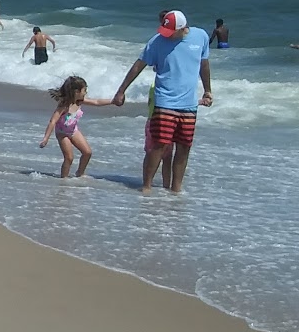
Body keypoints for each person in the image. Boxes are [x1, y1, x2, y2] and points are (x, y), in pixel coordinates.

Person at [112, 10, 212, 194]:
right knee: (159, 146)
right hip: (165, 102)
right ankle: (147, 187)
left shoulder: (201, 37)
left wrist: (207, 90)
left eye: (170, 31)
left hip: (189, 105)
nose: (165, 34)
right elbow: (139, 64)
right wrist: (121, 91)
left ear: (182, 28)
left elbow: (203, 64)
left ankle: (176, 190)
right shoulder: (157, 41)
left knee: (184, 147)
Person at [40, 76, 116, 179]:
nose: (86, 92)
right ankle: (64, 179)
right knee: (69, 158)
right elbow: (53, 121)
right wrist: (46, 138)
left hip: (73, 130)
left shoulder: (80, 101)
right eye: (84, 90)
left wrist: (113, 101)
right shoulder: (64, 105)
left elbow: (97, 102)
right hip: (62, 133)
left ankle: (80, 173)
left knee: (87, 152)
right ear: (76, 91)